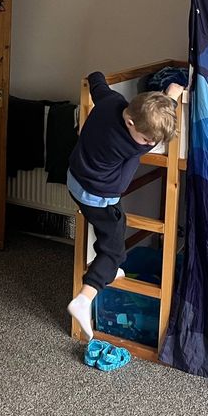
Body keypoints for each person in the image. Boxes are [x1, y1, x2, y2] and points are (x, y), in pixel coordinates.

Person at [67, 74, 184, 340]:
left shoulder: (112, 101)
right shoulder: (129, 144)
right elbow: (154, 141)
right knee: (115, 249)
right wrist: (173, 97)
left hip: (75, 179)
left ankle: (109, 269)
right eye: (145, 139)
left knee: (110, 230)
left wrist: (95, 77)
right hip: (97, 196)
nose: (147, 143)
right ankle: (84, 298)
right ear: (130, 123)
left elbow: (97, 81)